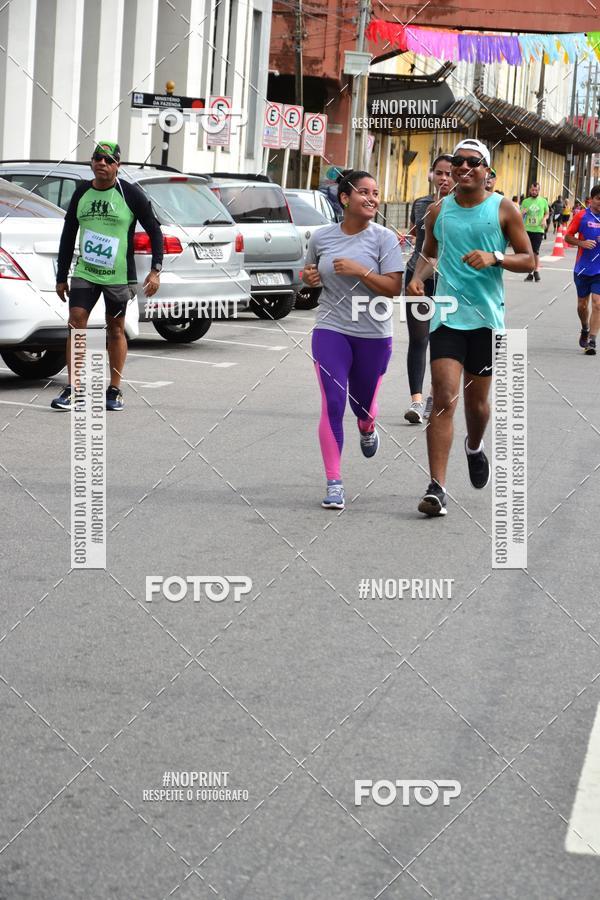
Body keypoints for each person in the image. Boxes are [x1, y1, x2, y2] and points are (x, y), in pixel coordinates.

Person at [407, 138, 534, 517]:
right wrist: (417, 277)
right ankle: (437, 487)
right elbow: (431, 252)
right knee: (444, 397)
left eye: (473, 162)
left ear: (487, 171)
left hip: (485, 321)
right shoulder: (438, 212)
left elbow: (529, 260)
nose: (464, 168)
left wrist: (495, 257)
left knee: (477, 404)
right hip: (446, 317)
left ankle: (474, 446)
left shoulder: (503, 209)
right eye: (458, 162)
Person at [302, 170, 404, 510]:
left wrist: (361, 271)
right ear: (345, 198)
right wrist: (310, 277)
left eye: (375, 192)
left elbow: (393, 289)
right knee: (332, 403)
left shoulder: (384, 239)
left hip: (373, 335)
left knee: (361, 406)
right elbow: (310, 274)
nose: (372, 198)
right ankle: (334, 483)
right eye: (364, 192)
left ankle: (367, 424)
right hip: (331, 328)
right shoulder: (321, 238)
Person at [52, 141, 163, 411]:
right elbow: (68, 235)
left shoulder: (131, 194)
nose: (102, 163)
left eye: (108, 160)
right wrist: (62, 275)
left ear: (117, 166)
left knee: (115, 328)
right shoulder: (81, 194)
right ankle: (74, 387)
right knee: (76, 322)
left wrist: (156, 270)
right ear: (91, 163)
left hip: (118, 275)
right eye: (97, 159)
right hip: (85, 272)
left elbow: (154, 230)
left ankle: (114, 389)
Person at [403, 154, 454, 424]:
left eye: (449, 173)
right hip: (418, 276)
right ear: (431, 175)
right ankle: (416, 402)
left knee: (441, 341)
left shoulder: (463, 207)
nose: (444, 178)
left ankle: (434, 397)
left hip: (449, 281)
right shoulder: (421, 204)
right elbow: (419, 240)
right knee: (419, 338)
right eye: (439, 172)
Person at [564, 184, 600, 355]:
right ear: (591, 200)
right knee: (582, 305)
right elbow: (567, 236)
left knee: (598, 303)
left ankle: (592, 341)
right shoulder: (582, 216)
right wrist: (582, 243)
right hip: (583, 268)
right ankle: (585, 328)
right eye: (598, 199)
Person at [521, 182, 549, 282]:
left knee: (535, 252)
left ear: (539, 190)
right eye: (532, 190)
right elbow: (520, 215)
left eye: (536, 190)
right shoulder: (525, 201)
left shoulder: (543, 201)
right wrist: (522, 213)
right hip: (527, 229)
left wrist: (544, 219)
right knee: (529, 252)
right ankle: (530, 273)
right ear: (530, 190)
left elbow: (547, 213)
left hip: (538, 230)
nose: (534, 192)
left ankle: (536, 271)